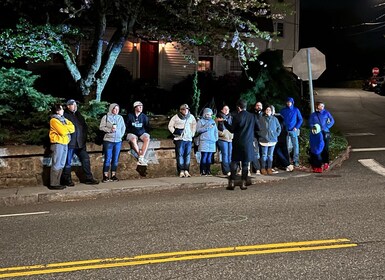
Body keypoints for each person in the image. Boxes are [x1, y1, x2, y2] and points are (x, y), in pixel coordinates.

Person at [221, 99, 259, 190]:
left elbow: (232, 129)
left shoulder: (237, 117)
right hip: (248, 143)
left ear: (238, 107)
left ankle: (232, 182)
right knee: (245, 163)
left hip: (238, 142)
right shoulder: (252, 116)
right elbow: (258, 128)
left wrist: (224, 122)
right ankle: (243, 183)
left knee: (235, 161)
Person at [61, 99, 99, 186]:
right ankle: (66, 179)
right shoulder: (65, 115)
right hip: (71, 143)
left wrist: (84, 138)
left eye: (75, 105)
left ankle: (88, 178)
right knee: (68, 162)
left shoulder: (79, 115)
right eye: (73, 105)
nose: (75, 106)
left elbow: (84, 127)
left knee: (85, 159)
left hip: (80, 143)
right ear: (68, 106)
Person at [49, 104, 75, 189]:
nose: (63, 110)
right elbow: (63, 131)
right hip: (57, 143)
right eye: (61, 109)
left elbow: (73, 128)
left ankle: (58, 182)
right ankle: (53, 183)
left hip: (64, 143)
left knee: (61, 163)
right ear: (57, 111)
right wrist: (66, 128)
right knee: (57, 163)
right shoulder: (54, 120)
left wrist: (65, 127)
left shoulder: (63, 120)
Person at [168, 104, 197, 178]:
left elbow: (194, 125)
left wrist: (192, 133)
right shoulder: (176, 117)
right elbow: (170, 126)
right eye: (184, 109)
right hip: (180, 138)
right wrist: (174, 132)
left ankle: (186, 170)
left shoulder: (191, 117)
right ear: (181, 110)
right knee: (180, 154)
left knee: (187, 155)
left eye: (187, 109)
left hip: (188, 138)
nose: (186, 110)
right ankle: (181, 170)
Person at [99, 103, 126, 182]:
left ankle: (113, 174)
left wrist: (120, 135)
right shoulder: (106, 117)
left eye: (118, 109)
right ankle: (105, 175)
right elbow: (101, 127)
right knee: (108, 158)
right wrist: (109, 130)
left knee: (115, 158)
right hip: (108, 140)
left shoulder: (120, 118)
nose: (117, 111)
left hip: (118, 141)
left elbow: (123, 127)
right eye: (115, 109)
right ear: (111, 109)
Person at [309, 101, 335, 171]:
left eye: (323, 106)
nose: (322, 107)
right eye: (320, 106)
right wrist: (314, 128)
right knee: (318, 148)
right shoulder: (313, 115)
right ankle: (318, 163)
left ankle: (326, 162)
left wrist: (327, 126)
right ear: (317, 106)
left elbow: (332, 121)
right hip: (317, 133)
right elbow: (310, 123)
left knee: (325, 148)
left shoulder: (326, 113)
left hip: (325, 132)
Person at [258, 105, 281, 175]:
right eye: (267, 110)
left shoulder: (275, 119)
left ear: (271, 111)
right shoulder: (261, 119)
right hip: (264, 139)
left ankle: (269, 168)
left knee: (270, 155)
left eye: (269, 110)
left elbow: (279, 127)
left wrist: (276, 134)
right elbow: (257, 128)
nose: (268, 111)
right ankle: (263, 168)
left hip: (272, 139)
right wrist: (261, 134)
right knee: (264, 155)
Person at [279, 97, 303, 167]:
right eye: (287, 102)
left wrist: (296, 127)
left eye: (290, 102)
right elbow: (280, 120)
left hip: (293, 130)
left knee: (295, 146)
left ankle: (296, 161)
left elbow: (300, 119)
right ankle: (287, 161)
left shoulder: (296, 110)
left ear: (292, 102)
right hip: (285, 131)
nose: (288, 103)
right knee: (285, 146)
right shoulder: (283, 110)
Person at [126, 101, 151, 166]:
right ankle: (140, 156)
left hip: (141, 132)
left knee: (147, 138)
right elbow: (126, 125)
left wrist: (144, 132)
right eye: (139, 106)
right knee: (133, 139)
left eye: (141, 106)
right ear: (135, 107)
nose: (141, 108)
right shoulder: (130, 116)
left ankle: (141, 157)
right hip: (132, 132)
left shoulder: (144, 116)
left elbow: (147, 126)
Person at [196, 108, 218, 176]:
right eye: (207, 114)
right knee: (204, 156)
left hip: (212, 141)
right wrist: (206, 127)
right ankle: (203, 170)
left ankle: (208, 170)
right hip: (204, 141)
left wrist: (215, 138)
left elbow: (215, 131)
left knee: (209, 157)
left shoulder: (213, 122)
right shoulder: (200, 121)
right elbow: (198, 130)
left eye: (210, 115)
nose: (209, 116)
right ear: (204, 114)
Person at [271, 105, 293, 172]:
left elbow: (280, 127)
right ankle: (286, 164)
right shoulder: (279, 117)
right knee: (281, 151)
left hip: (280, 136)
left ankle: (286, 164)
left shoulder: (276, 117)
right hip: (280, 136)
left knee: (279, 151)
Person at [216, 105, 233, 176]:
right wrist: (222, 133)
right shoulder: (218, 118)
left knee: (230, 155)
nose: (226, 111)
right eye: (225, 109)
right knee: (225, 154)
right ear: (222, 110)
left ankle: (230, 169)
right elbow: (215, 129)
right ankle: (226, 171)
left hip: (230, 139)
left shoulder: (231, 118)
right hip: (222, 139)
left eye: (227, 109)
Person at [251, 101, 263, 175]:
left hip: (263, 136)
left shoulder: (264, 115)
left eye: (260, 105)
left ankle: (264, 167)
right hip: (254, 136)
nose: (258, 107)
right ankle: (257, 168)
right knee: (255, 152)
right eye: (257, 105)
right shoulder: (252, 115)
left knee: (263, 153)